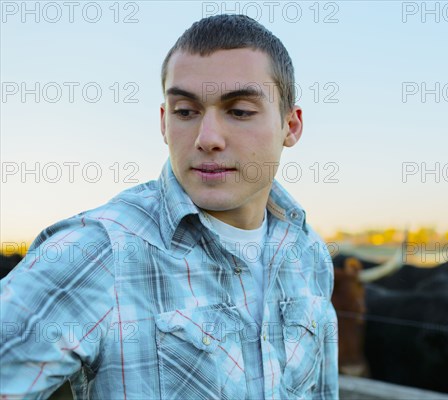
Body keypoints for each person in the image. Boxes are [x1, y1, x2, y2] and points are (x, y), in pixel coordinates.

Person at [0, 14, 339, 399]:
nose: (207, 138)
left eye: (240, 111)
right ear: (164, 123)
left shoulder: (310, 253)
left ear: (291, 126)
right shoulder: (97, 253)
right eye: (185, 111)